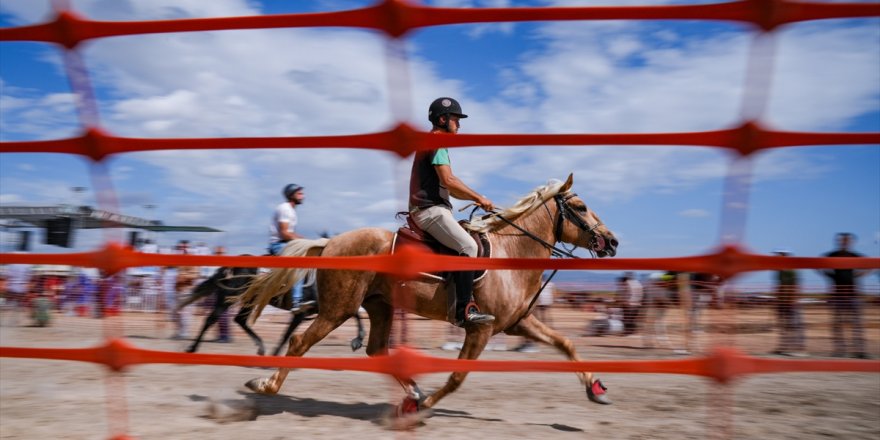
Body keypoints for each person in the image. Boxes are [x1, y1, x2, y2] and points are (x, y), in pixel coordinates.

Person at [409, 97, 494, 327]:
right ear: (442, 119)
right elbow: (449, 180)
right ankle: (464, 310)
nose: (459, 125)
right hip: (429, 211)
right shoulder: (437, 142)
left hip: (433, 209)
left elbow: (452, 190)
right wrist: (479, 198)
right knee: (469, 246)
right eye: (456, 119)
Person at [819, 233, 869, 359]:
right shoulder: (832, 255)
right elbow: (818, 263)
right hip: (838, 295)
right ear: (838, 242)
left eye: (847, 241)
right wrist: (829, 276)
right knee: (838, 324)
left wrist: (858, 275)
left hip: (853, 295)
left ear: (851, 242)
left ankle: (859, 351)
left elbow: (870, 264)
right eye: (842, 240)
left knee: (857, 324)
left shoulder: (855, 256)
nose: (844, 243)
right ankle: (839, 350)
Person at [269, 183, 314, 312]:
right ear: (291, 195)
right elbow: (284, 233)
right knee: (298, 263)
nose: (302, 196)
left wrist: (305, 240)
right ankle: (296, 301)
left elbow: (291, 234)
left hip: (286, 243)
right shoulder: (285, 209)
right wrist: (304, 241)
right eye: (299, 193)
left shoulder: (291, 210)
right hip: (278, 245)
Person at [771, 250, 806, 356]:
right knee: (783, 325)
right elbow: (778, 287)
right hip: (782, 302)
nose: (775, 257)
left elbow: (796, 286)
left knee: (795, 325)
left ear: (785, 256)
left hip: (791, 302)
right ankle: (784, 346)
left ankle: (799, 348)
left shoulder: (791, 270)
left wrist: (793, 299)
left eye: (778, 255)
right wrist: (777, 300)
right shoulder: (778, 272)